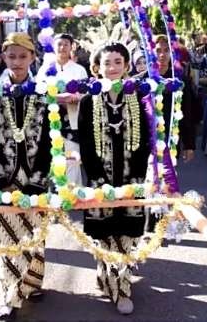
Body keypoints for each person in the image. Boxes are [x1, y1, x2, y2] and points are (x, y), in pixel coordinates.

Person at [0, 32, 51, 321]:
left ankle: (31, 284)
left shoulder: (43, 91)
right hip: (4, 177)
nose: (17, 62)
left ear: (32, 57)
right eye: (11, 56)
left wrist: (40, 176)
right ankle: (8, 297)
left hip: (37, 176)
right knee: (6, 238)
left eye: (23, 56)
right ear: (3, 58)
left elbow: (48, 139)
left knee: (35, 235)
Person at [77, 42, 151, 315]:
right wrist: (98, 178)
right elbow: (85, 143)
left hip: (132, 176)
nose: (112, 68)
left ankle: (122, 287)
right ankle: (106, 274)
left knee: (127, 233)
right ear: (97, 67)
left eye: (118, 62)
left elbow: (144, 139)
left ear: (126, 66)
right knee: (104, 232)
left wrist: (138, 176)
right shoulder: (88, 99)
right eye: (107, 63)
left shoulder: (138, 96)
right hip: (100, 178)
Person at [36, 34, 88, 187]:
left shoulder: (79, 70)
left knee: (73, 155)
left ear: (72, 46)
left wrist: (74, 97)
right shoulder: (45, 69)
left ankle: (74, 191)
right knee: (52, 155)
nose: (62, 47)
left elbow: (84, 93)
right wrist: (58, 98)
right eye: (59, 44)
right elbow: (39, 92)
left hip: (72, 117)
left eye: (66, 44)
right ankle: (53, 193)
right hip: (51, 117)